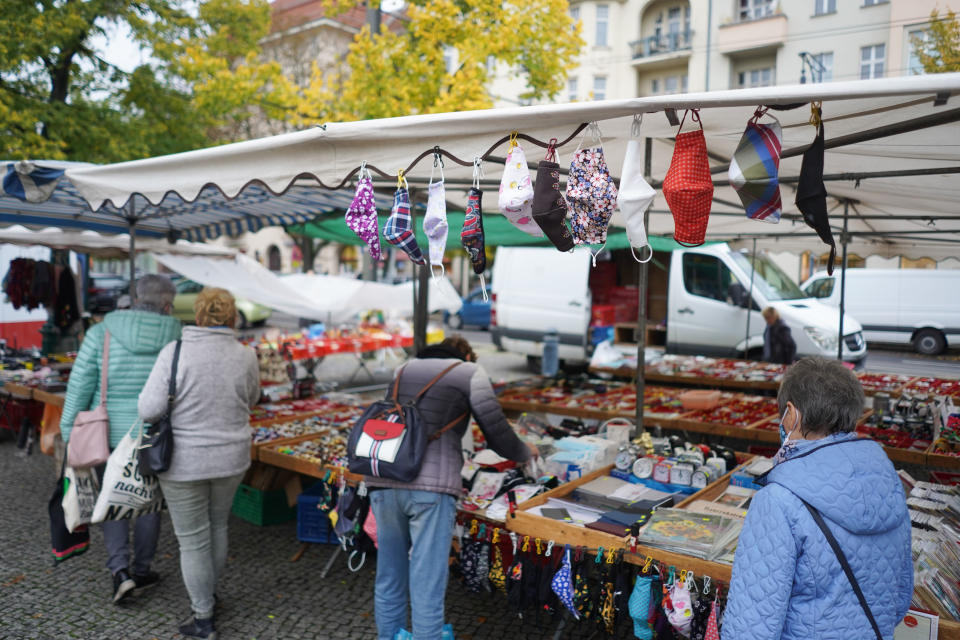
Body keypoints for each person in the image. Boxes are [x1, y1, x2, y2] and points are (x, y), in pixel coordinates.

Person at [723, 357, 912, 640]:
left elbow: (751, 628)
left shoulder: (778, 499)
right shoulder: (888, 485)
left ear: (791, 414)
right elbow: (900, 597)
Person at [365, 335, 536, 640]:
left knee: (390, 575)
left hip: (385, 478)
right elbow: (497, 434)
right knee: (427, 579)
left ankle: (388, 636)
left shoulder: (402, 369)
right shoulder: (469, 373)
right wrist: (526, 452)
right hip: (431, 488)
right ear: (467, 356)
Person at [138, 288, 260, 640]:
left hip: (182, 462)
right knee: (217, 527)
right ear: (232, 317)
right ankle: (208, 595)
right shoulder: (245, 355)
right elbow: (252, 399)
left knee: (192, 541)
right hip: (232, 458)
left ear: (200, 315)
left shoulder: (173, 352)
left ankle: (203, 617)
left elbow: (148, 409)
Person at [60, 274, 181, 603]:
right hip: (155, 434)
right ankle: (142, 568)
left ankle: (120, 572)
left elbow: (80, 385)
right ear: (167, 304)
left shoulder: (101, 333)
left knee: (111, 497)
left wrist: (68, 430)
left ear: (134, 297)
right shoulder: (178, 336)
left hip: (107, 432)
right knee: (148, 502)